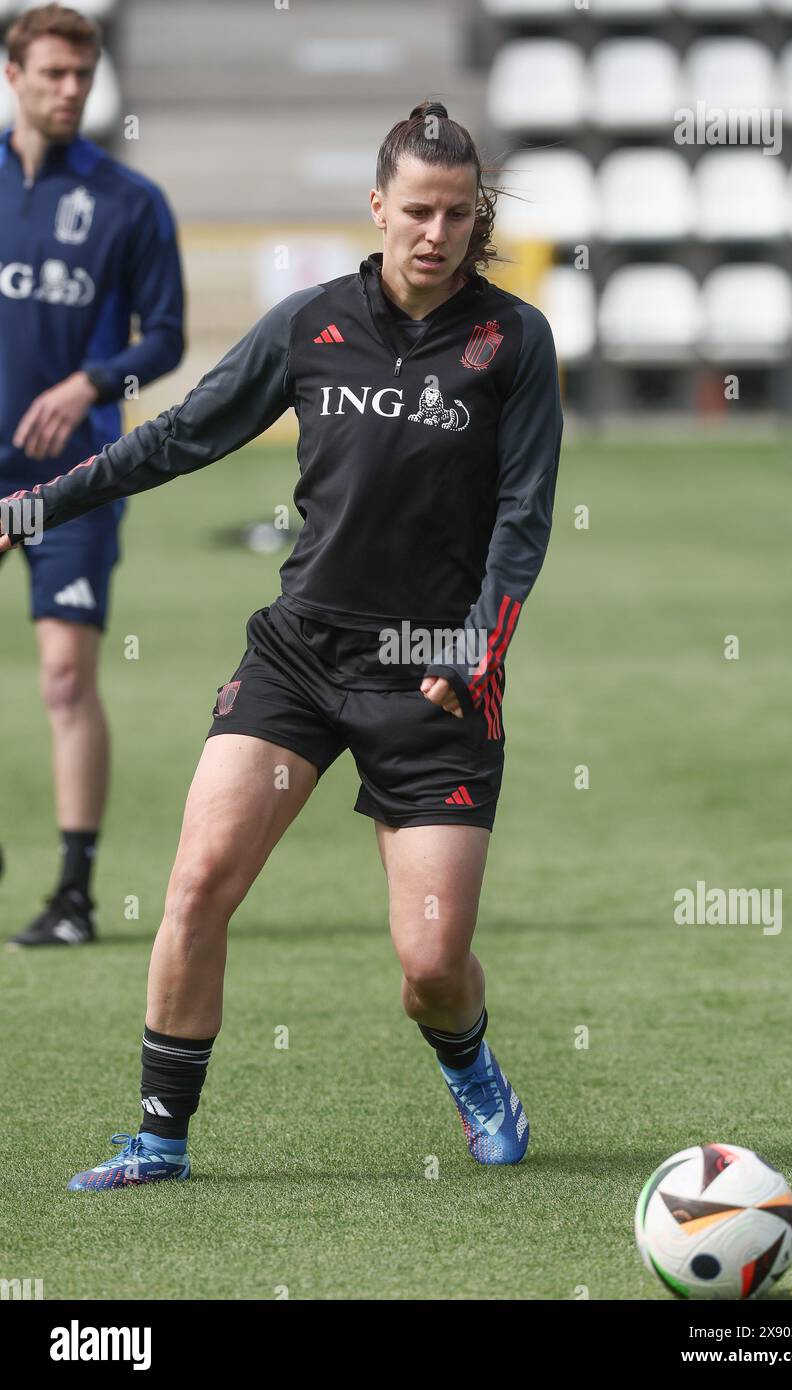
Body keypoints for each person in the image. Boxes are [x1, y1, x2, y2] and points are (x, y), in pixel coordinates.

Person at [0, 100, 562, 1184]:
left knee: (431, 964)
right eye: (414, 212)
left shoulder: (514, 341)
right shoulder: (311, 324)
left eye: (454, 214)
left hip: (436, 682)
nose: (434, 234)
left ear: (473, 215)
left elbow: (523, 514)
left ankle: (470, 1063)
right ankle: (161, 1136)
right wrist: (35, 508)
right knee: (198, 880)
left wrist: (477, 649)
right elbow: (176, 435)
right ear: (376, 208)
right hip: (299, 656)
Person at [0, 4, 184, 947]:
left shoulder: (130, 201)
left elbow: (168, 338)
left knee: (65, 678)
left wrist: (91, 381)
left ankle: (73, 893)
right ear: (13, 76)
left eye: (81, 74)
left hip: (69, 480)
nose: (69, 89)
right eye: (52, 73)